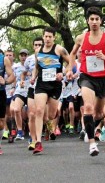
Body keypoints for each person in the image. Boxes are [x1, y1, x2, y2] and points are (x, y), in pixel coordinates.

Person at [66, 6, 105, 157]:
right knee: (89, 107)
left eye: (97, 19)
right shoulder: (81, 38)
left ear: (101, 21)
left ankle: (91, 128)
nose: (94, 22)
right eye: (91, 19)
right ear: (87, 21)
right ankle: (92, 143)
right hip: (87, 77)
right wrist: (69, 69)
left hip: (104, 79)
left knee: (99, 114)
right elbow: (72, 54)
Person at [31, 27, 69, 155]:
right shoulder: (38, 51)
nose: (47, 39)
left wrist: (63, 74)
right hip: (41, 84)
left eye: (50, 37)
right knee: (39, 110)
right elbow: (37, 67)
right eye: (45, 36)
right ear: (43, 37)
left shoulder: (59, 49)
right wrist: (33, 77)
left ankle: (49, 124)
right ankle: (37, 142)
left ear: (54, 37)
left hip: (55, 85)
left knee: (51, 116)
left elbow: (71, 63)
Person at [21, 37, 44, 150]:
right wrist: (22, 80)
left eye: (40, 44)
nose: (37, 47)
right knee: (31, 114)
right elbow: (24, 72)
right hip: (32, 88)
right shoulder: (29, 59)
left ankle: (46, 127)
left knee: (44, 114)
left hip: (45, 88)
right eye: (36, 45)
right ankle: (34, 140)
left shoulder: (48, 56)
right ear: (33, 46)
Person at [0, 49, 15, 154]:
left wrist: (5, 81)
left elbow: (12, 76)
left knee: (1, 122)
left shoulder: (4, 59)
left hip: (0, 92)